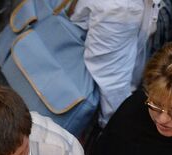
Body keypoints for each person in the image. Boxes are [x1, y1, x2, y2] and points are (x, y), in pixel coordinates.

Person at [69, 0, 161, 129]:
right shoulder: (119, 8)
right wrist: (118, 128)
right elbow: (112, 83)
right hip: (89, 105)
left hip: (99, 87)